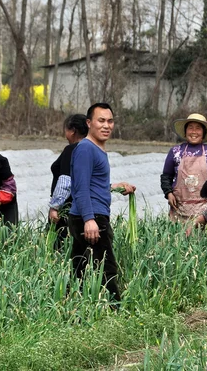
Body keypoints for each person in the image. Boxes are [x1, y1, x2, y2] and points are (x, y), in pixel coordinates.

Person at [67, 103, 136, 305]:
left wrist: (114, 186)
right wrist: (89, 220)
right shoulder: (86, 149)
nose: (106, 125)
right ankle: (115, 311)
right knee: (106, 268)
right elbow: (80, 187)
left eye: (110, 121)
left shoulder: (95, 149)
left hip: (87, 215)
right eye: (101, 120)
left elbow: (92, 182)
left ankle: (73, 309)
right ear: (89, 123)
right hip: (91, 217)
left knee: (80, 268)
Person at [160, 113, 207, 220]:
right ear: (185, 132)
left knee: (202, 236)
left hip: (205, 211)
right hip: (179, 208)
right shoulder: (175, 152)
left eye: (198, 128)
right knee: (179, 236)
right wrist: (169, 193)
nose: (194, 132)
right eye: (190, 128)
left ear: (203, 133)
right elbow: (166, 176)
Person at [48, 114, 89, 251]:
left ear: (72, 131)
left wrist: (55, 207)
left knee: (60, 248)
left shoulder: (71, 149)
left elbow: (66, 180)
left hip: (67, 209)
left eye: (65, 130)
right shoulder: (90, 148)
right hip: (84, 208)